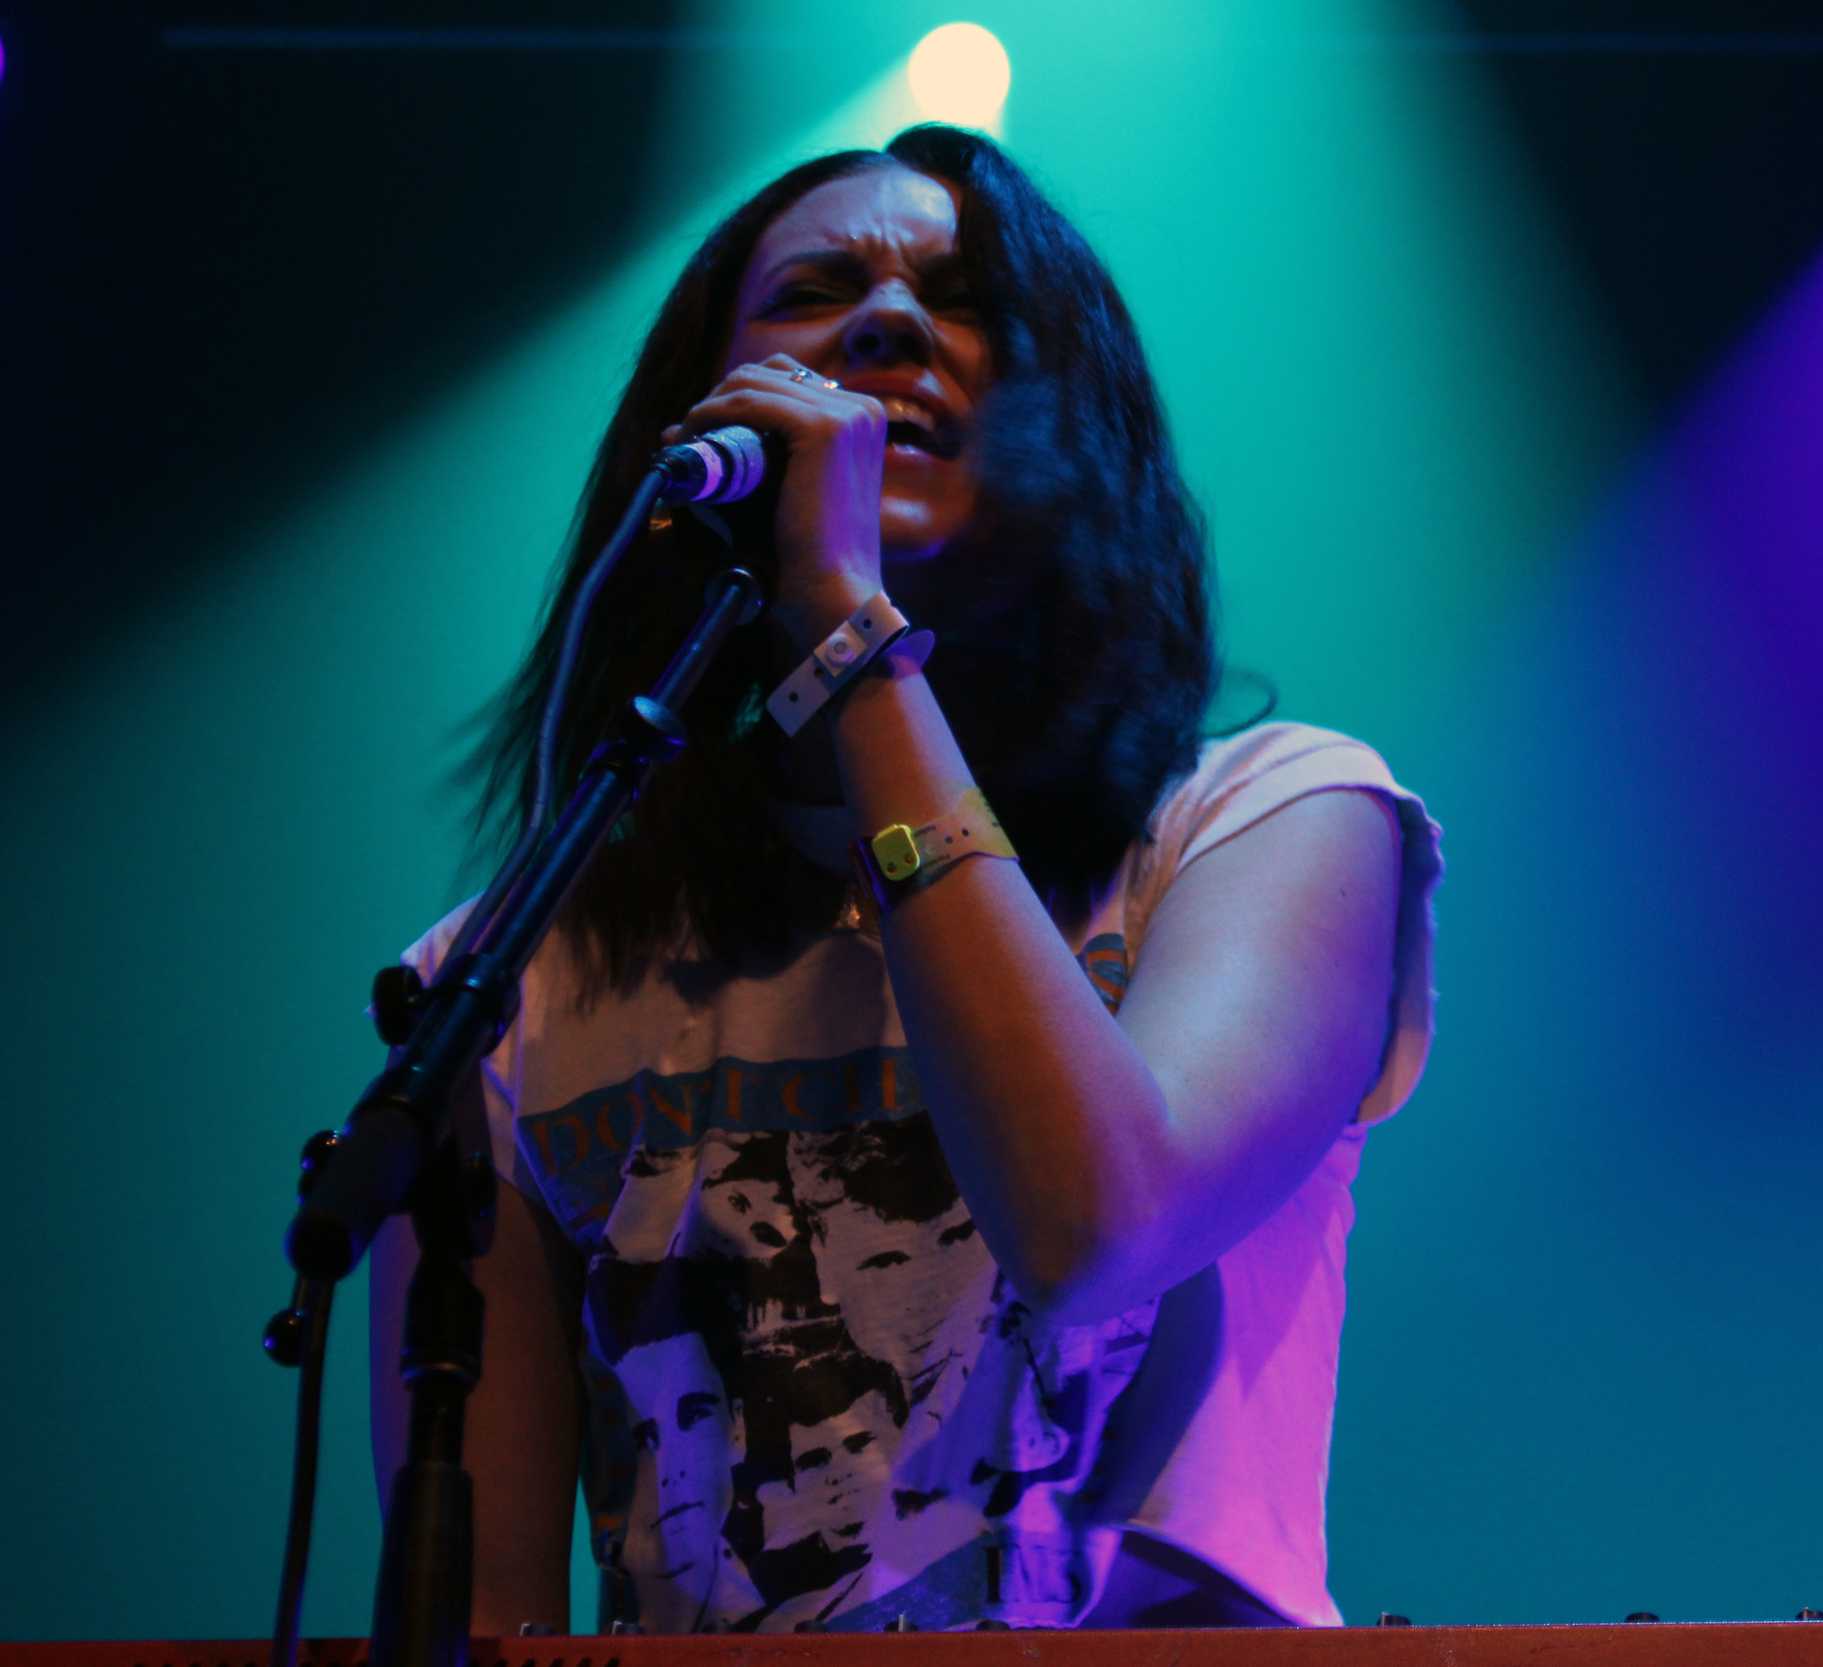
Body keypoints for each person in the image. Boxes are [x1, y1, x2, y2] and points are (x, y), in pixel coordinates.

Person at [369, 124, 1441, 1635]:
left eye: (964, 298)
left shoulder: (1269, 826)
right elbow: (477, 1616)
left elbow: (1095, 1233)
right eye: (818, 290)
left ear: (1078, 421)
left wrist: (845, 633)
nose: (884, 324)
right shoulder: (514, 979)